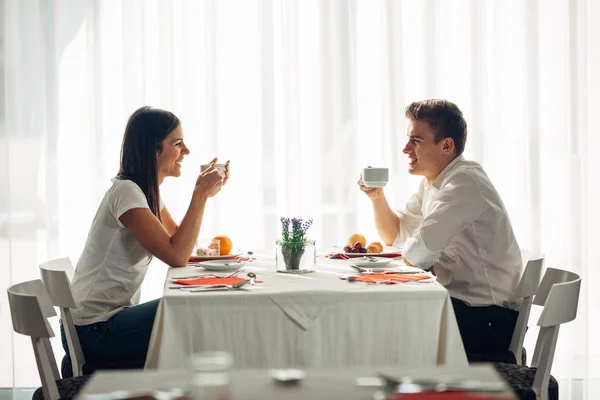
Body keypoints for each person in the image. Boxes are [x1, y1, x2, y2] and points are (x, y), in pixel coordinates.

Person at [61, 106, 230, 368]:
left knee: (192, 311)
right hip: (93, 330)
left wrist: (205, 197)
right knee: (189, 313)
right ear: (154, 150)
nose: (186, 151)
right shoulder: (127, 193)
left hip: (101, 323)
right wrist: (199, 196)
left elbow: (177, 237)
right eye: (178, 143)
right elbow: (176, 255)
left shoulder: (144, 192)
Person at [358, 99, 523, 361]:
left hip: (486, 319)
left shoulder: (463, 183)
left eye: (416, 141)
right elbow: (395, 236)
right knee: (378, 325)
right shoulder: (434, 184)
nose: (405, 149)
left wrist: (420, 253)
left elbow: (417, 255)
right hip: (466, 309)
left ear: (446, 145)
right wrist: (377, 197)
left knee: (379, 329)